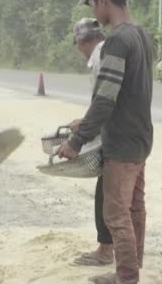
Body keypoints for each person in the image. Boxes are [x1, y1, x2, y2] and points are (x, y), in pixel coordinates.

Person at [57, 0, 155, 284]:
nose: (93, 13)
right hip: (141, 137)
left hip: (123, 142)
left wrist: (76, 140)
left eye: (92, 5)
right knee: (135, 207)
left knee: (115, 213)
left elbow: (105, 100)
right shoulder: (141, 34)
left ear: (102, 0)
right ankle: (132, 267)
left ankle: (126, 277)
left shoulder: (116, 40)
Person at [69, 18, 114, 267]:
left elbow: (104, 103)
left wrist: (78, 139)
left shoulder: (99, 58)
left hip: (116, 137)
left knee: (108, 194)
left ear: (82, 41)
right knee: (123, 196)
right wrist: (85, 120)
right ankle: (121, 250)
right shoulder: (109, 52)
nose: (78, 48)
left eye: (77, 43)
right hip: (132, 135)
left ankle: (106, 250)